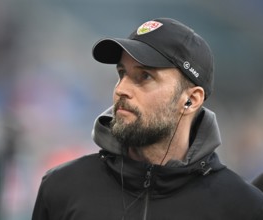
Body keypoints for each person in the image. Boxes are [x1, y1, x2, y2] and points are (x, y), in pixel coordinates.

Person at [32, 18, 263, 220]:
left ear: (191, 99)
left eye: (144, 76)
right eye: (122, 73)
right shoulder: (62, 187)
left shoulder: (243, 207)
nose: (121, 89)